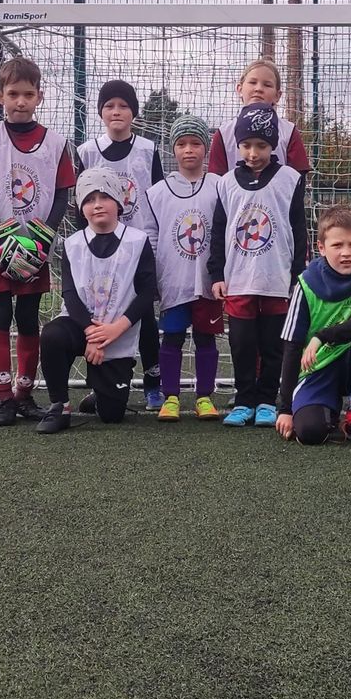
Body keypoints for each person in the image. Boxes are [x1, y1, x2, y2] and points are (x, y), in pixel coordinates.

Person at [0, 55, 74, 426]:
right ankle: (4, 397)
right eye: (13, 94)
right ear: (0, 96)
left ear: (39, 96)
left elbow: (62, 195)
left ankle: (25, 394)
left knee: (28, 317)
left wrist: (43, 237)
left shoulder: (55, 143)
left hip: (35, 247)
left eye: (28, 94)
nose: (21, 101)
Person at [35, 168, 158, 434]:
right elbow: (70, 294)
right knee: (52, 334)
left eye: (105, 197)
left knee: (112, 416)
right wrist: (91, 333)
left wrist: (114, 330)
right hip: (81, 327)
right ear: (81, 207)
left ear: (119, 202)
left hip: (117, 331)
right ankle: (60, 406)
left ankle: (102, 393)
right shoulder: (73, 244)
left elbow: (147, 293)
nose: (97, 204)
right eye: (89, 199)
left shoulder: (138, 241)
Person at [210, 103, 307, 427]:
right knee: (241, 344)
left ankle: (267, 399)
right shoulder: (225, 183)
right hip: (239, 278)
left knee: (273, 344)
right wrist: (216, 273)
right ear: (238, 145)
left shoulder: (290, 179)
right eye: (247, 145)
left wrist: (297, 273)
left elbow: (299, 229)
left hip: (277, 277)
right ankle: (243, 400)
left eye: (262, 145)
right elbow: (218, 231)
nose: (253, 153)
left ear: (273, 145)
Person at [75, 78, 165, 410]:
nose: (116, 111)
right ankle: (100, 383)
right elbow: (79, 202)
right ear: (100, 112)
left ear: (134, 113)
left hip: (140, 247)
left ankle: (153, 383)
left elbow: (158, 197)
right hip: (101, 250)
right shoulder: (87, 151)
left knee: (145, 315)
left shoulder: (148, 150)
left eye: (124, 106)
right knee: (102, 314)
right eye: (110, 106)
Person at [275, 206, 351, 446]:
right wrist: (285, 409)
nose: (346, 253)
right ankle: (328, 411)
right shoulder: (305, 284)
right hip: (318, 368)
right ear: (321, 247)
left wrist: (323, 335)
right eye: (337, 245)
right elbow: (292, 346)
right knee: (310, 432)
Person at [145, 115, 225, 421]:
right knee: (173, 337)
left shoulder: (220, 186)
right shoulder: (158, 192)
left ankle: (204, 396)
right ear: (173, 149)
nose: (188, 150)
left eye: (195, 143)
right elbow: (152, 236)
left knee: (205, 338)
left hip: (207, 281)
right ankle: (171, 397)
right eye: (181, 144)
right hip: (173, 280)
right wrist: (154, 277)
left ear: (206, 148)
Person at [204, 59, 312, 178]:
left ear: (277, 95)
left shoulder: (289, 131)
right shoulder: (224, 133)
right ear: (239, 89)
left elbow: (298, 179)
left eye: (267, 85)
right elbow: (216, 179)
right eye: (252, 82)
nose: (258, 89)